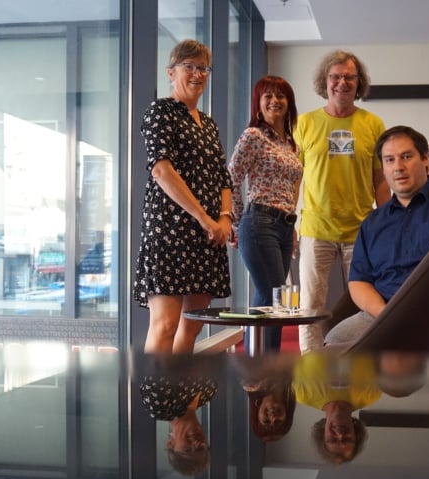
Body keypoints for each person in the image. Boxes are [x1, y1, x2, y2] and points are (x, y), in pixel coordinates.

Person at [324, 126, 429, 344]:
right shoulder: (373, 223)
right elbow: (359, 281)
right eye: (389, 160)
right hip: (384, 314)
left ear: (425, 159)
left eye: (406, 157)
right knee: (336, 341)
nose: (398, 167)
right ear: (383, 168)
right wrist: (386, 316)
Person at [133, 39, 233, 355]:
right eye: (189, 67)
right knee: (165, 325)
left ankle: (182, 389)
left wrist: (224, 219)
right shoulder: (161, 111)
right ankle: (156, 389)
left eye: (203, 68)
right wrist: (204, 218)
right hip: (170, 231)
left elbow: (222, 176)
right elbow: (161, 170)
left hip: (208, 235)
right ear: (171, 72)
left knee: (192, 327)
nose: (197, 74)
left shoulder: (209, 124)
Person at [294, 50, 390, 352]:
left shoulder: (373, 124)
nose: (342, 82)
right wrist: (289, 222)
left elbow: (381, 180)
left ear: (358, 82)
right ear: (325, 81)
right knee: (310, 305)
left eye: (349, 76)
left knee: (362, 302)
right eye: (335, 76)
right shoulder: (305, 123)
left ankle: (356, 362)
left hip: (360, 230)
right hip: (315, 228)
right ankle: (311, 365)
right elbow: (294, 178)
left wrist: (387, 224)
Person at [228, 76, 303, 352]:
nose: (275, 101)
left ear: (289, 103)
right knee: (275, 298)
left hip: (284, 226)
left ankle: (259, 363)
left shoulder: (290, 144)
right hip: (259, 222)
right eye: (267, 96)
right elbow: (231, 178)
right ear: (258, 104)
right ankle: (265, 364)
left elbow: (289, 188)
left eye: (280, 96)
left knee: (270, 298)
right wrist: (236, 222)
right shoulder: (254, 136)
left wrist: (291, 225)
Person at [292, 352, 382, 463]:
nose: (340, 435)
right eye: (347, 439)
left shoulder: (302, 394)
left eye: (332, 440)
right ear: (355, 434)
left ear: (323, 434)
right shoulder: (372, 394)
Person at [139, 354, 217, 476]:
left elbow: (158, 349)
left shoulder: (159, 405)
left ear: (171, 443)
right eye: (201, 449)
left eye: (187, 449)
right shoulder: (209, 394)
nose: (197, 443)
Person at [231, 352, 299, 442]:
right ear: (287, 415)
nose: (273, 418)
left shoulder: (249, 381)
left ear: (257, 415)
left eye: (266, 421)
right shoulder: (298, 385)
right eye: (278, 422)